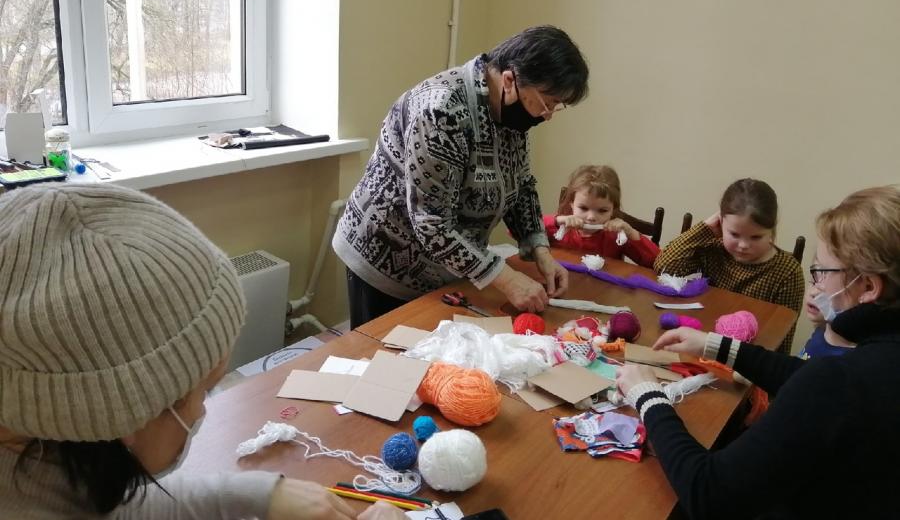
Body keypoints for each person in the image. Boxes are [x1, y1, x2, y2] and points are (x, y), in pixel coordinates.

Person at [0, 183, 405, 520]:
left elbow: (120, 507)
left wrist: (257, 494)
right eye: (201, 390)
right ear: (121, 414)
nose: (201, 413)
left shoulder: (41, 447)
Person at [616, 185, 900, 519]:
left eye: (822, 271)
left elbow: (709, 494)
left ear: (868, 287)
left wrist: (648, 397)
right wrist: (716, 345)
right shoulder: (876, 362)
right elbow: (805, 377)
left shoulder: (841, 382)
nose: (816, 284)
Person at [333, 25, 590, 327]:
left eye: (557, 106)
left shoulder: (510, 110)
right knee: (385, 358)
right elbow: (432, 223)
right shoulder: (441, 111)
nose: (548, 114)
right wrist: (506, 279)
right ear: (510, 80)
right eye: (548, 103)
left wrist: (539, 248)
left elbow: (520, 184)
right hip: (383, 253)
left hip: (441, 264)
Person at [654, 178, 805, 352]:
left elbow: (780, 340)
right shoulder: (713, 249)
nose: (743, 245)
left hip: (748, 359)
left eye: (756, 237)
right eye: (734, 234)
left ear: (772, 230)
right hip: (702, 344)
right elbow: (664, 266)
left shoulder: (787, 272)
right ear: (721, 221)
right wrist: (704, 229)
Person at [546, 164, 659, 268]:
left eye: (602, 210)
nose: (591, 217)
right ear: (572, 203)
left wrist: (630, 232)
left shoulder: (616, 236)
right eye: (584, 208)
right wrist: (557, 220)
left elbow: (659, 263)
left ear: (613, 209)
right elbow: (530, 229)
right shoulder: (559, 229)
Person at [797, 272, 855, 359]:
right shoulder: (821, 331)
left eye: (827, 290)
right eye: (813, 282)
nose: (813, 293)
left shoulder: (844, 359)